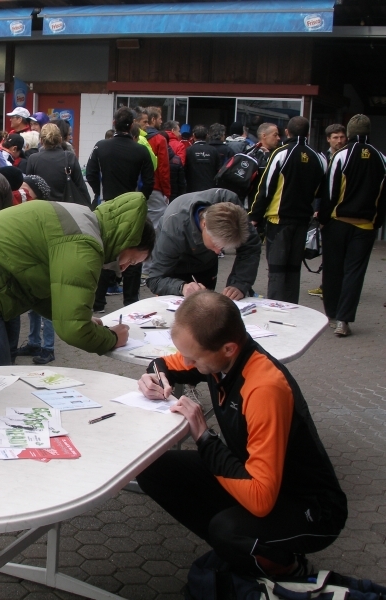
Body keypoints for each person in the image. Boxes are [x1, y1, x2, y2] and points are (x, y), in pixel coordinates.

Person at [136, 291, 347, 578]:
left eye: (193, 357)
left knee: (227, 531)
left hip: (312, 508)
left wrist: (204, 437)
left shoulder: (263, 388)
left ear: (228, 349)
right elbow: (166, 364)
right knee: (153, 468)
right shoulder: (219, 355)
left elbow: (261, 500)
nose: (187, 362)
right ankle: (245, 554)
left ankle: (288, 568)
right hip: (255, 476)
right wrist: (153, 376)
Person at [0, 192, 155, 367]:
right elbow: (72, 329)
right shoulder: (84, 244)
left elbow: (40, 289)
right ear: (129, 240)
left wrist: (78, 316)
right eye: (132, 260)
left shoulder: (84, 220)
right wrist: (112, 339)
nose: (124, 267)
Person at [319, 114, 386, 337]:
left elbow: (331, 192)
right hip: (366, 226)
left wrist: (324, 219)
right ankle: (345, 320)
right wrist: (377, 221)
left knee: (333, 269)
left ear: (349, 133)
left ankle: (332, 314)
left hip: (339, 222)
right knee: (354, 273)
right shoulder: (381, 158)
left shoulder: (342, 156)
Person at [249, 116, 326, 303]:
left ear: (287, 132)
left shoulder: (280, 154)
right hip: (302, 221)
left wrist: (254, 216)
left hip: (279, 220)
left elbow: (266, 188)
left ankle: (275, 308)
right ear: (308, 133)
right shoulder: (318, 157)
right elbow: (321, 191)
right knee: (293, 269)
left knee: (277, 269)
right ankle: (292, 307)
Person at [86, 106, 155, 309]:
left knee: (106, 249)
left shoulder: (101, 146)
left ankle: (98, 300)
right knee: (133, 250)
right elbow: (149, 181)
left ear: (114, 124)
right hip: (133, 206)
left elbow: (90, 173)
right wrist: (140, 199)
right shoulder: (141, 149)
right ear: (132, 125)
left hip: (106, 205)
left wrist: (99, 194)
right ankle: (131, 300)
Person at [146, 189, 261, 299]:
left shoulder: (233, 209)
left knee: (207, 306)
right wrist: (182, 287)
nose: (218, 251)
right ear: (204, 224)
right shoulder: (174, 226)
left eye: (223, 248)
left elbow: (250, 247)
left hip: (206, 264)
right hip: (176, 266)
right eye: (216, 244)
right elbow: (156, 278)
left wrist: (239, 284)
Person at [307, 124, 348, 299]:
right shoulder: (322, 158)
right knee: (328, 250)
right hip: (326, 210)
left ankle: (336, 286)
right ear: (328, 139)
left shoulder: (348, 156)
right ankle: (327, 285)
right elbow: (318, 187)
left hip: (343, 211)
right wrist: (317, 209)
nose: (339, 140)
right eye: (335, 137)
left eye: (342, 137)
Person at [26, 123, 90, 205]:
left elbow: (29, 187)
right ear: (60, 140)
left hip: (42, 207)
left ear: (41, 141)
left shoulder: (33, 159)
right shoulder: (69, 157)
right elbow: (81, 186)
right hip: (66, 206)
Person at [185, 125, 221, 193]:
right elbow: (218, 170)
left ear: (193, 135)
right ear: (207, 136)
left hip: (192, 189)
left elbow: (184, 169)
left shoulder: (188, 150)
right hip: (209, 189)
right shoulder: (213, 150)